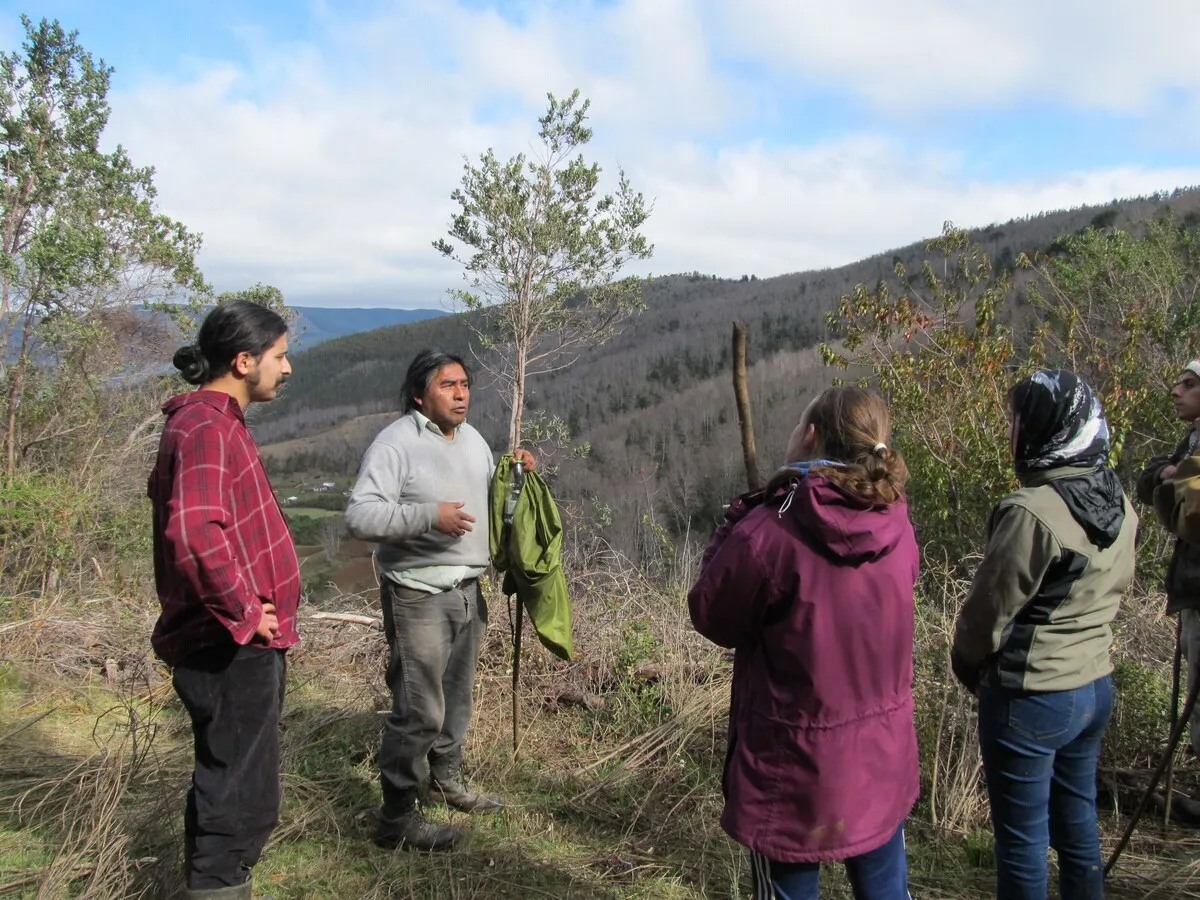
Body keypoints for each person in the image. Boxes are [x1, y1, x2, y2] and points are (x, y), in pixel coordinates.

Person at [688, 385, 919, 900]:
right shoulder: (896, 521)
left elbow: (712, 612)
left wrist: (737, 519)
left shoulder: (769, 531)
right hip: (881, 753)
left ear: (810, 435)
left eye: (798, 424)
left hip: (793, 767)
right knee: (885, 889)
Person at [952, 369, 1137, 900]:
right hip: (1094, 686)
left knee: (1022, 841)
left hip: (1031, 696)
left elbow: (985, 616)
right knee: (1078, 820)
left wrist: (972, 668)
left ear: (1043, 429)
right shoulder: (1118, 503)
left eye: (1017, 420)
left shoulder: (1031, 511)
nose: (1011, 431)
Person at [344, 349, 534, 852]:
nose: (461, 393)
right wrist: (428, 516)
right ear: (418, 393)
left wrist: (516, 477)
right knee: (419, 710)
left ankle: (447, 781)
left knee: (457, 700)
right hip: (418, 594)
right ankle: (397, 816)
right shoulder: (396, 442)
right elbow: (360, 517)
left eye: (465, 384)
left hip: (469, 591)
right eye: (448, 385)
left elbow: (491, 501)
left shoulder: (472, 440)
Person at [148, 300, 299, 900]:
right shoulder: (207, 427)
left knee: (230, 781)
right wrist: (243, 610)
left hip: (236, 641)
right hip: (227, 644)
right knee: (238, 799)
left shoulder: (215, 422)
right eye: (279, 356)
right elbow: (194, 531)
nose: (286, 369)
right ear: (244, 360)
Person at [1138, 358, 1200, 755]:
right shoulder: (1191, 441)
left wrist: (1181, 475)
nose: (1176, 391)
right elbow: (1151, 481)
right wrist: (1173, 472)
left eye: (1189, 384)